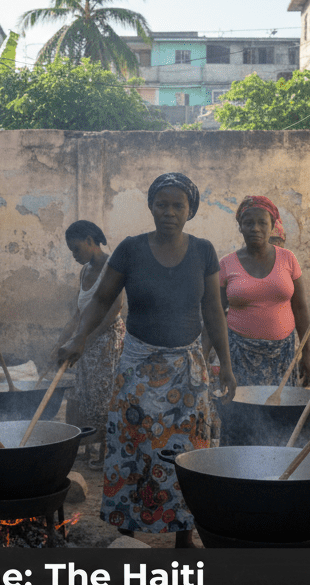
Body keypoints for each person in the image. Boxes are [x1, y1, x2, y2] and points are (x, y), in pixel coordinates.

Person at [58, 172, 237, 548]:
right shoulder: (130, 249)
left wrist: (227, 366)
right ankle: (127, 532)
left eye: (178, 205)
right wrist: (79, 337)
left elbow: (214, 312)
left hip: (186, 371)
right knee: (132, 446)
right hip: (137, 367)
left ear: (190, 210)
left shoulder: (203, 251)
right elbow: (102, 299)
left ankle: (182, 535)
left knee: (186, 453)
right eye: (162, 204)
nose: (169, 212)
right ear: (151, 206)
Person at [53, 220, 125, 469]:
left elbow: (114, 308)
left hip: (106, 339)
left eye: (76, 249)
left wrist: (84, 340)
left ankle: (105, 450)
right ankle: (87, 446)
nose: (74, 255)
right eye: (71, 251)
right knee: (82, 393)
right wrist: (63, 340)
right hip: (84, 341)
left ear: (90, 241)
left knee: (102, 395)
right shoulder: (85, 271)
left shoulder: (111, 266)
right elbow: (78, 313)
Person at [219, 196, 310, 386]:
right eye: (248, 223)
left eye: (262, 222)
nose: (255, 228)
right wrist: (221, 361)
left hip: (283, 354)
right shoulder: (226, 264)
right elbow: (217, 314)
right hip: (239, 354)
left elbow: (300, 308)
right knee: (242, 410)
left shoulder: (288, 259)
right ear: (240, 227)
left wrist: (307, 353)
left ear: (272, 226)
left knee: (279, 410)